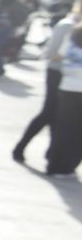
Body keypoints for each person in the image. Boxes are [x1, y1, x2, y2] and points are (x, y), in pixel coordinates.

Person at [14, 0, 79, 166]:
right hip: (58, 74)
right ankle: (21, 148)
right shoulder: (67, 25)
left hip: (70, 79)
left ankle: (51, 154)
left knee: (58, 117)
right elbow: (50, 54)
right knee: (49, 113)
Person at [44, 17, 82, 176]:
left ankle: (53, 164)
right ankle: (68, 166)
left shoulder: (75, 32)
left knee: (62, 128)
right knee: (78, 131)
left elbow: (59, 54)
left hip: (67, 85)